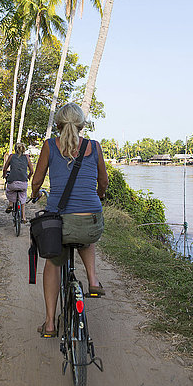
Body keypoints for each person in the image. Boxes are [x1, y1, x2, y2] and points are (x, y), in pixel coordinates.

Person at [31, 102, 109, 337]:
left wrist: (35, 195)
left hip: (58, 224)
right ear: (81, 124)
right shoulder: (94, 146)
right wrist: (99, 197)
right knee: (87, 232)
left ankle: (50, 324)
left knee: (53, 264)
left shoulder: (49, 146)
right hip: (91, 221)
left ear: (58, 124)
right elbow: (103, 182)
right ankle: (93, 281)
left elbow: (36, 181)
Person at [2, 143, 34, 223]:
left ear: (15, 149)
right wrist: (28, 177)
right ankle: (23, 217)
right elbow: (32, 171)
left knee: (9, 191)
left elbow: (5, 168)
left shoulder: (12, 156)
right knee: (22, 198)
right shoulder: (27, 157)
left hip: (12, 182)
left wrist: (4, 175)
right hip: (23, 183)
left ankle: (10, 204)